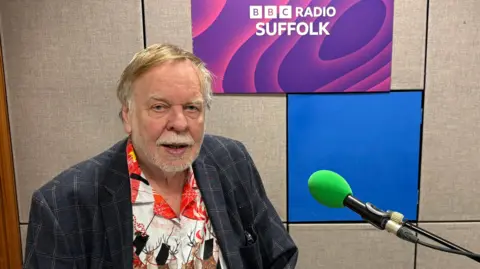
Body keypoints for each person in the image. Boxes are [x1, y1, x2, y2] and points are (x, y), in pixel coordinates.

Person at [23, 43, 298, 269]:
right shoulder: (63, 205)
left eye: (192, 108)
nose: (179, 123)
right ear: (127, 116)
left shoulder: (231, 160)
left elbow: (278, 254)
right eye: (159, 107)